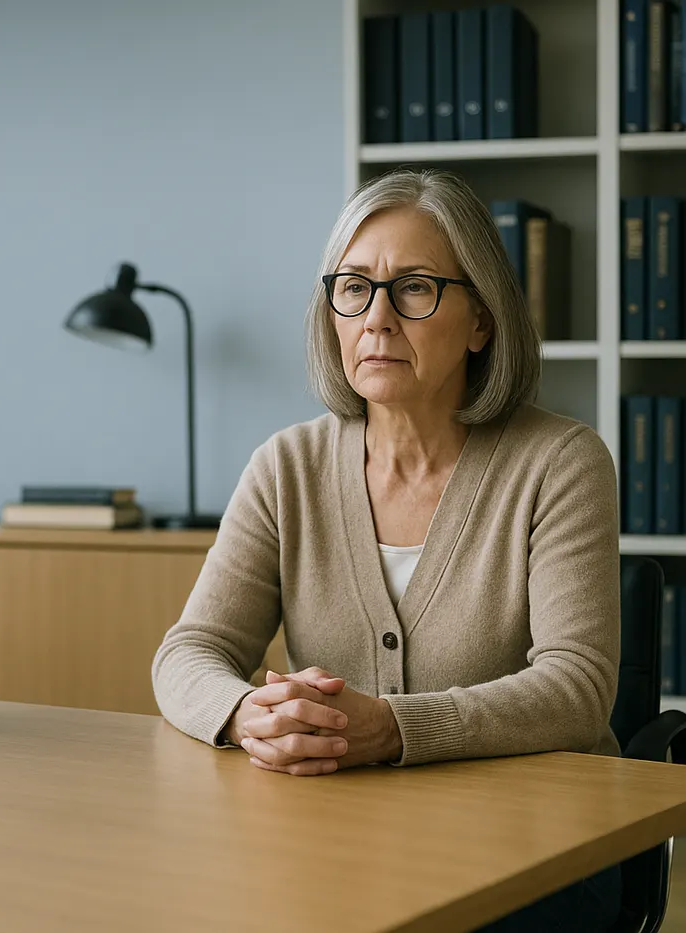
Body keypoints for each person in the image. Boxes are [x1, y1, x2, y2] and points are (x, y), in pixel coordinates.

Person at [151, 169, 621, 930]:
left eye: (414, 288)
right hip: (339, 841)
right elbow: (189, 650)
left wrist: (395, 727)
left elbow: (578, 687)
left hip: (536, 850)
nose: (376, 318)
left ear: (481, 320)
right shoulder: (287, 466)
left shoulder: (561, 462)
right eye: (354, 288)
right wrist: (247, 712)